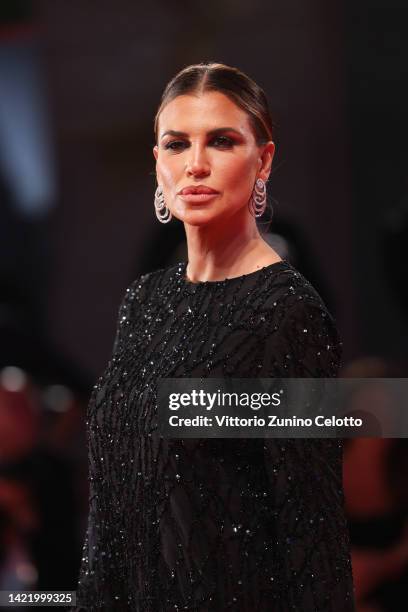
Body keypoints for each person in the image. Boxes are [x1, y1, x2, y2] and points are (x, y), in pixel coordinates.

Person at [73, 63, 355, 611]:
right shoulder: (143, 302)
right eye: (177, 145)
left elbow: (313, 531)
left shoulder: (287, 313)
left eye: (221, 141)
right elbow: (107, 514)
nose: (195, 165)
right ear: (158, 164)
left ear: (264, 160)